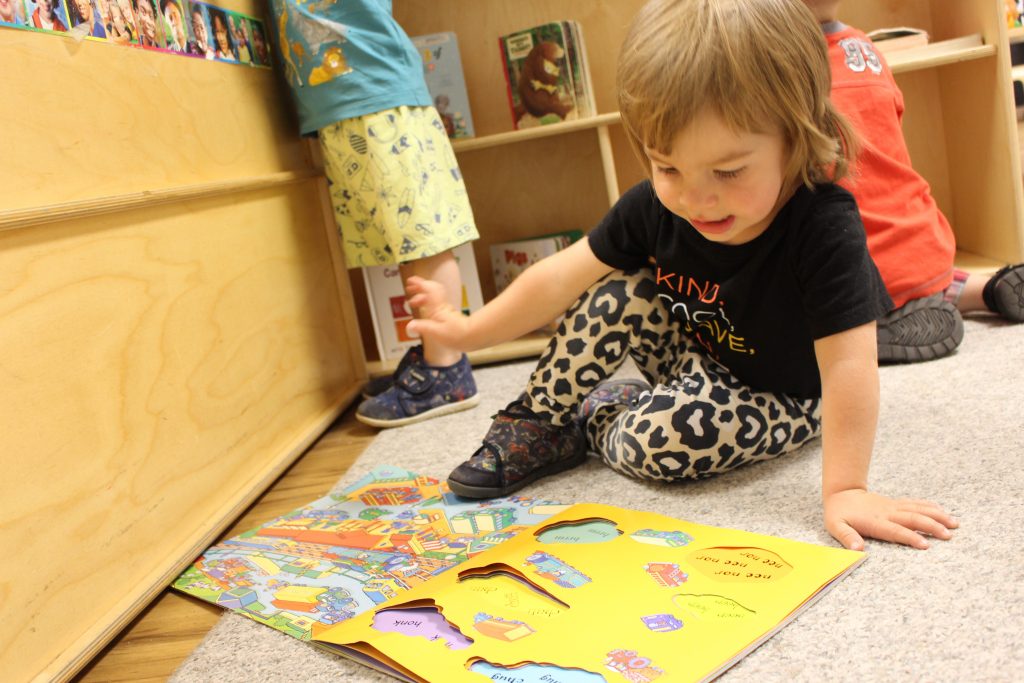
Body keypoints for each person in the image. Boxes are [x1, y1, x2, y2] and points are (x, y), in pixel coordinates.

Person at [407, 0, 958, 551]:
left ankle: (593, 418)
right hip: (695, 355)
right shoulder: (657, 205)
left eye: (728, 170)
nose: (695, 197)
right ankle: (541, 420)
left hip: (786, 397)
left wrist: (847, 488)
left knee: (665, 442)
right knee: (616, 289)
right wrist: (466, 333)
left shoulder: (823, 221)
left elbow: (849, 366)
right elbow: (557, 278)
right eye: (667, 167)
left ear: (798, 135)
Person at [269, 0, 481, 428]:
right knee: (405, 240)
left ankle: (446, 369)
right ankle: (436, 354)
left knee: (422, 238)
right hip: (352, 99)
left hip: (375, 95)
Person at [801, 0, 1024, 363]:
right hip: (927, 245)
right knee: (926, 281)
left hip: (862, 272)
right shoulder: (865, 49)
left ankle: (865, 334)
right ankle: (989, 290)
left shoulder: (779, 68)